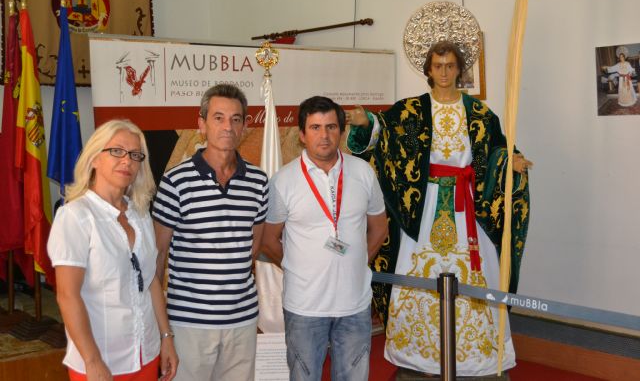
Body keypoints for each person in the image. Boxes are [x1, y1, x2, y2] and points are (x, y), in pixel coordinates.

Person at [346, 41, 532, 377]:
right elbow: (385, 132)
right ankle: (418, 356)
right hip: (423, 207)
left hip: (467, 211)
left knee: (475, 277)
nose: (444, 72)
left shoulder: (479, 113)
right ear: (428, 70)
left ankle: (477, 356)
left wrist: (511, 160)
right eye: (437, 66)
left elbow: (496, 149)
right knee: (418, 274)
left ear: (459, 69)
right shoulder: (411, 110)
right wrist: (367, 122)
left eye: (450, 66)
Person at [261, 96, 388, 381]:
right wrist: (296, 265)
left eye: (331, 127)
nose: (324, 135)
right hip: (304, 307)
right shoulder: (283, 181)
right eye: (315, 127)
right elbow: (269, 240)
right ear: (302, 135)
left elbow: (380, 229)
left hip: (354, 305)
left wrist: (358, 262)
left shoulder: (363, 173)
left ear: (341, 131)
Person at [152, 84, 268, 381]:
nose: (227, 126)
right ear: (202, 124)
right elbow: (158, 256)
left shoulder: (258, 181)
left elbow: (252, 248)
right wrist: (161, 328)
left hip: (241, 322)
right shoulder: (175, 181)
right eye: (218, 118)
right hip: (189, 324)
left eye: (235, 119)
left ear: (244, 126)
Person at [48, 119, 178, 381]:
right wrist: (92, 360)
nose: (127, 161)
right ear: (95, 158)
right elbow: (67, 295)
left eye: (135, 155)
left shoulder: (140, 214)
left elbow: (151, 280)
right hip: (102, 360)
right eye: (116, 151)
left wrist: (166, 337)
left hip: (146, 353)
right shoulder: (75, 216)